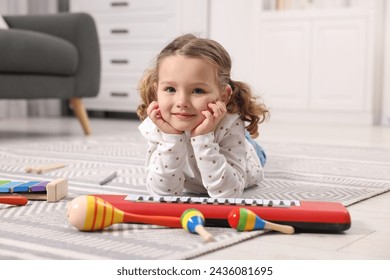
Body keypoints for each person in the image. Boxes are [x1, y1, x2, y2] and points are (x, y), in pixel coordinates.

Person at [137, 34, 269, 198]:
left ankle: (249, 141)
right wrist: (171, 138)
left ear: (222, 96)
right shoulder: (158, 124)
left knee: (255, 151)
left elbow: (228, 194)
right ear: (156, 90)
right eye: (170, 89)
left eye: (198, 91)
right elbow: (162, 193)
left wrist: (203, 138)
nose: (182, 102)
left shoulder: (230, 124)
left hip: (245, 156)